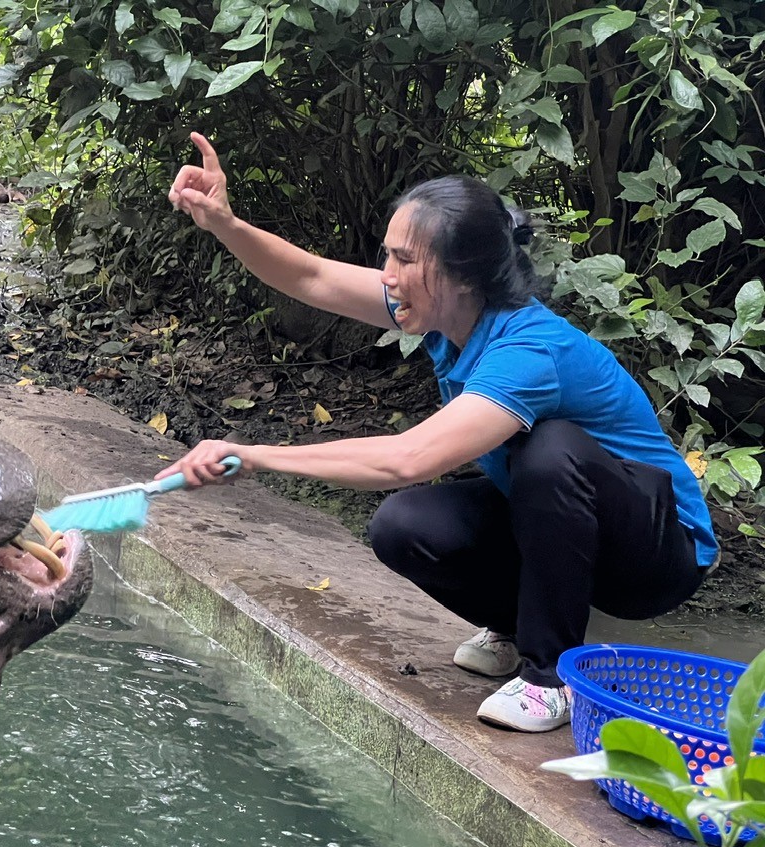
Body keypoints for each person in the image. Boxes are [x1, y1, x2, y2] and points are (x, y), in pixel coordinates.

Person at [159, 131, 718, 733]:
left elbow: (410, 458)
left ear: (463, 276)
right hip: (570, 526)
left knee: (551, 452)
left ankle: (551, 678)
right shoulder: (434, 312)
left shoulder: (530, 349)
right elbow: (312, 277)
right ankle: (516, 625)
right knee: (406, 527)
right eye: (387, 255)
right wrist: (224, 222)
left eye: (405, 260)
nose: (388, 275)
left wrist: (251, 457)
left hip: (660, 556)